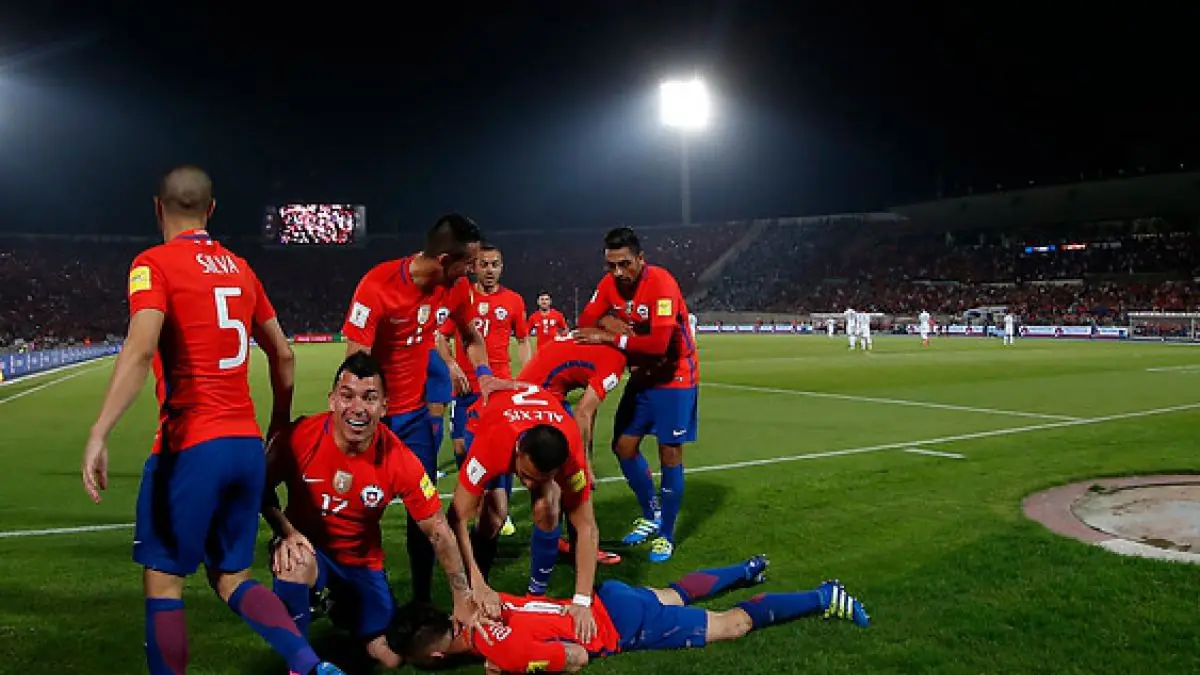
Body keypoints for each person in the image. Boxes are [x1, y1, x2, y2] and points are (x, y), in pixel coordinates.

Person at [80, 165, 343, 675]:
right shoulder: (241, 269)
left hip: (189, 446)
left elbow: (139, 350)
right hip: (244, 446)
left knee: (164, 581)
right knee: (231, 577)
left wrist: (100, 430)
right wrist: (278, 427)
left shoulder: (153, 265)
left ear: (158, 208)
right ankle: (311, 665)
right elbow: (283, 354)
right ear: (212, 211)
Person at [263, 352, 480, 669]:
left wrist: (462, 595)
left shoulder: (399, 458)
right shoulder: (301, 437)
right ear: (333, 400)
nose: (357, 408)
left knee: (390, 658)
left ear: (384, 407)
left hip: (362, 563)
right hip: (310, 549)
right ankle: (300, 663)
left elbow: (437, 529)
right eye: (347, 396)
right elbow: (258, 487)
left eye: (369, 398)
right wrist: (285, 532)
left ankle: (337, 604)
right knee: (293, 563)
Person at [342, 214, 507, 606]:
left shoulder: (455, 289)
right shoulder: (378, 284)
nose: (473, 272)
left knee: (424, 510)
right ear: (445, 258)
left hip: (415, 419)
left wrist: (483, 374)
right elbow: (356, 362)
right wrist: (366, 415)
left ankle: (420, 602)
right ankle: (343, 592)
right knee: (356, 509)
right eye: (468, 264)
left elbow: (471, 336)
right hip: (375, 420)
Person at [391, 555, 871, 673]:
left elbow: (577, 656)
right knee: (674, 593)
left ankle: (823, 596)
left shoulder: (506, 652)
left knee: (731, 626)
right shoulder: (486, 604)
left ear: (434, 658)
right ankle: (747, 568)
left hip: (621, 626)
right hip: (609, 596)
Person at [574, 226, 698, 563]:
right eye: (611, 265)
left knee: (669, 454)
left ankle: (667, 534)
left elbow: (658, 344)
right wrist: (612, 323)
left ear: (640, 260)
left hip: (675, 376)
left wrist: (611, 334)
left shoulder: (660, 283)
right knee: (623, 447)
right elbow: (586, 321)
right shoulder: (609, 284)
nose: (618, 272)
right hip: (643, 376)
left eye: (624, 264)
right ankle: (652, 512)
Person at [447, 387, 601, 634]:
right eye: (527, 476)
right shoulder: (493, 444)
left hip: (536, 417)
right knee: (493, 516)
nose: (528, 484)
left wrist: (582, 600)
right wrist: (474, 583)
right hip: (484, 422)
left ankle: (535, 596)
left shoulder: (571, 455)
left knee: (548, 507)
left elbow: (586, 526)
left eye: (539, 478)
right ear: (519, 451)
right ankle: (479, 587)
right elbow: (456, 517)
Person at [516, 333, 628, 578]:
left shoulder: (604, 346)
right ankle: (566, 549)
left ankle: (574, 545)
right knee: (565, 477)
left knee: (565, 480)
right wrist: (584, 463)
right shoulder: (615, 363)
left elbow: (589, 412)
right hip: (540, 394)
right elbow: (582, 413)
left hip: (540, 388)